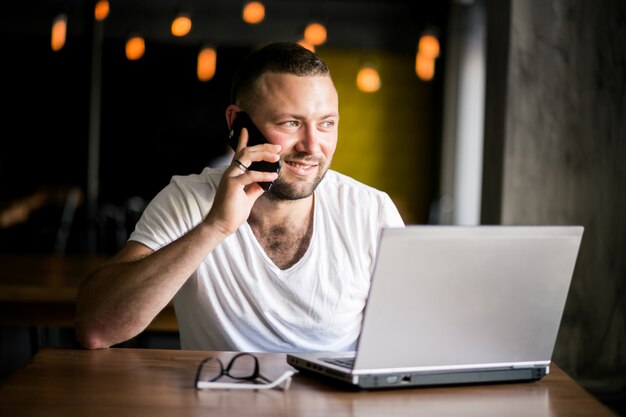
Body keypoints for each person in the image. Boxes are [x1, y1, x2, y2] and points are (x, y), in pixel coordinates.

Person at [74, 42, 405, 352]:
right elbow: (96, 328)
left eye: (327, 123)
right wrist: (214, 227)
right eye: (291, 123)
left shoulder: (371, 211)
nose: (312, 146)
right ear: (237, 123)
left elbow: (406, 342)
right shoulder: (189, 200)